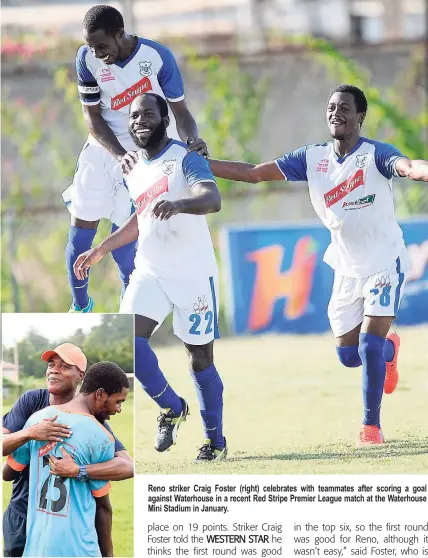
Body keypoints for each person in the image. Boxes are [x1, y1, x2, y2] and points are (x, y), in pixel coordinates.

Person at [207, 84, 428, 446]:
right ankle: (390, 350)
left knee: (369, 345)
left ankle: (370, 427)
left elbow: (407, 166)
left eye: (344, 108)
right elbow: (254, 173)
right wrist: (202, 163)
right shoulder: (312, 158)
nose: (335, 113)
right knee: (348, 355)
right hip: (346, 266)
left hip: (385, 260)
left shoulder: (374, 154)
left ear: (360, 117)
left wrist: (420, 171)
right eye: (330, 107)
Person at [73, 92, 226, 461]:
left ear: (164, 120)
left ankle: (215, 442)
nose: (139, 120)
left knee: (200, 360)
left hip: (193, 276)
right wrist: (101, 249)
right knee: (129, 340)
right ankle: (172, 407)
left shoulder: (185, 159)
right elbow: (139, 219)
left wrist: (179, 204)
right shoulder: (133, 166)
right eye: (134, 116)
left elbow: (212, 198)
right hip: (151, 272)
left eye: (147, 114)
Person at [63, 4, 208, 312]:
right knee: (79, 241)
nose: (97, 53)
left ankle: (130, 320)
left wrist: (192, 141)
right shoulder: (86, 58)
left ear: (120, 34)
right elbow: (92, 117)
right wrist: (118, 154)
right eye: (91, 47)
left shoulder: (157, 57)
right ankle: (80, 309)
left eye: (102, 46)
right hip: (103, 151)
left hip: (144, 158)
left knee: (125, 249)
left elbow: (181, 113)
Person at [2, 343, 133, 557]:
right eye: (51, 364)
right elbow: (103, 506)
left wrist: (76, 469)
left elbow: (8, 472)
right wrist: (30, 434)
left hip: (41, 536)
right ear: (100, 394)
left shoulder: (43, 418)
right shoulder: (33, 405)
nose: (54, 369)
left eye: (64, 366)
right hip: (25, 516)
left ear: (80, 375)